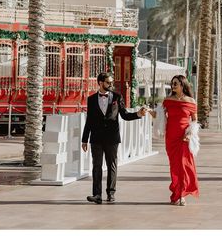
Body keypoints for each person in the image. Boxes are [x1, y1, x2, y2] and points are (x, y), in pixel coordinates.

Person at [81, 71, 146, 204]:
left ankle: (111, 193)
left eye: (111, 82)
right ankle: (97, 195)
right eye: (108, 82)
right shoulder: (91, 99)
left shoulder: (117, 97)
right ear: (100, 83)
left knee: (112, 166)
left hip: (112, 138)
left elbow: (125, 115)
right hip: (96, 138)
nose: (111, 84)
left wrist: (138, 114)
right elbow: (89, 120)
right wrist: (84, 139)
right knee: (96, 166)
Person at [149, 74, 199, 206]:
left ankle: (182, 195)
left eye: (175, 83)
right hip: (171, 137)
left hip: (184, 137)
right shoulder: (168, 100)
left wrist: (190, 134)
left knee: (184, 166)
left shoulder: (191, 101)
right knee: (175, 167)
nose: (173, 86)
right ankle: (176, 193)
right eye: (172, 83)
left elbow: (194, 120)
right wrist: (149, 111)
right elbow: (158, 115)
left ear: (182, 85)